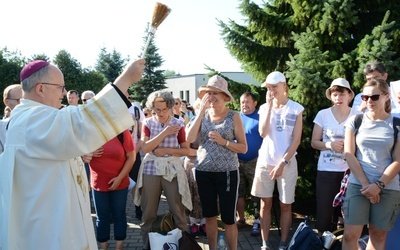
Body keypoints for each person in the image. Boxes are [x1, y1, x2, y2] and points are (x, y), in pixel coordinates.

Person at [0, 58, 145, 250]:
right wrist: (125, 79)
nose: (63, 93)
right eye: (60, 87)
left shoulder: (31, 118)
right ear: (41, 88)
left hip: (53, 218)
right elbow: (80, 123)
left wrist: (75, 155)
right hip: (46, 230)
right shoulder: (31, 119)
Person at [186, 75, 247, 250]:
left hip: (227, 173)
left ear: (225, 97)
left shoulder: (233, 116)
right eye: (208, 93)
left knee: (228, 218)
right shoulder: (202, 115)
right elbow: (189, 138)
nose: (211, 97)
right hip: (204, 172)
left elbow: (243, 147)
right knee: (210, 216)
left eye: (215, 93)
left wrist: (224, 142)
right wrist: (200, 113)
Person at [342, 78, 400, 250]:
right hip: (358, 185)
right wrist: (367, 185)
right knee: (350, 235)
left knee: (378, 235)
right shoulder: (355, 121)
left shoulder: (396, 125)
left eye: (374, 97)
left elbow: (398, 160)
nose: (369, 101)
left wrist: (379, 185)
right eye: (365, 98)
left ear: (386, 96)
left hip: (388, 187)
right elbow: (348, 154)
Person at [251, 71, 303, 250]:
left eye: (274, 86)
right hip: (265, 161)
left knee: (286, 205)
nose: (271, 90)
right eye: (269, 87)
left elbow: (296, 141)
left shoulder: (296, 108)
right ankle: (265, 243)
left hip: (287, 163)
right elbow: (263, 133)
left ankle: (283, 243)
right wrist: (270, 108)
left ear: (283, 86)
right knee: (265, 204)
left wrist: (283, 163)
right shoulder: (265, 108)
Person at [133, 90, 191, 250]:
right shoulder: (147, 123)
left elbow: (186, 150)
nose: (161, 113)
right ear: (152, 109)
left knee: (178, 212)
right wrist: (165, 132)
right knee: (148, 214)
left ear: (170, 107)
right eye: (157, 110)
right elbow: (145, 148)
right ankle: (147, 246)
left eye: (164, 109)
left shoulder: (179, 124)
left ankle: (183, 245)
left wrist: (166, 150)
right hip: (150, 170)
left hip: (171, 170)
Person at [311, 78, 360, 235]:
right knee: (324, 213)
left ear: (349, 96)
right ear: (331, 96)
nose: (338, 98)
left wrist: (351, 145)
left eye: (342, 94)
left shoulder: (358, 116)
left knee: (351, 215)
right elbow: (314, 142)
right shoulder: (323, 115)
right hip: (326, 171)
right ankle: (322, 243)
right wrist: (329, 145)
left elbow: (364, 143)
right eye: (335, 94)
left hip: (352, 172)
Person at [89, 129, 135, 250]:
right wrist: (88, 153)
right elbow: (77, 154)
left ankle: (119, 247)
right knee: (102, 217)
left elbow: (131, 157)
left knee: (119, 214)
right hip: (98, 183)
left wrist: (119, 178)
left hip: (120, 182)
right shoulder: (89, 131)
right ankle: (103, 247)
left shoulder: (122, 132)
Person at [236, 91, 263, 237]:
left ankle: (257, 221)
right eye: (242, 102)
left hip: (255, 162)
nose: (244, 105)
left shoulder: (261, 117)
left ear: (254, 103)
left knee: (256, 193)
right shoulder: (236, 117)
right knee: (238, 192)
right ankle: (241, 219)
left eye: (247, 102)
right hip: (237, 161)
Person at [184, 98, 206, 238]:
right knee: (191, 195)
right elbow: (186, 148)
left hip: (207, 165)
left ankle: (204, 223)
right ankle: (192, 223)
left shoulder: (211, 123)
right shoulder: (191, 124)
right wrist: (203, 152)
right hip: (192, 163)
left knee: (205, 195)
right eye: (199, 109)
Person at [0, 84, 23, 154]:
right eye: (20, 100)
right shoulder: (1, 126)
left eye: (26, 100)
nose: (24, 103)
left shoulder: (39, 121)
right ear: (6, 102)